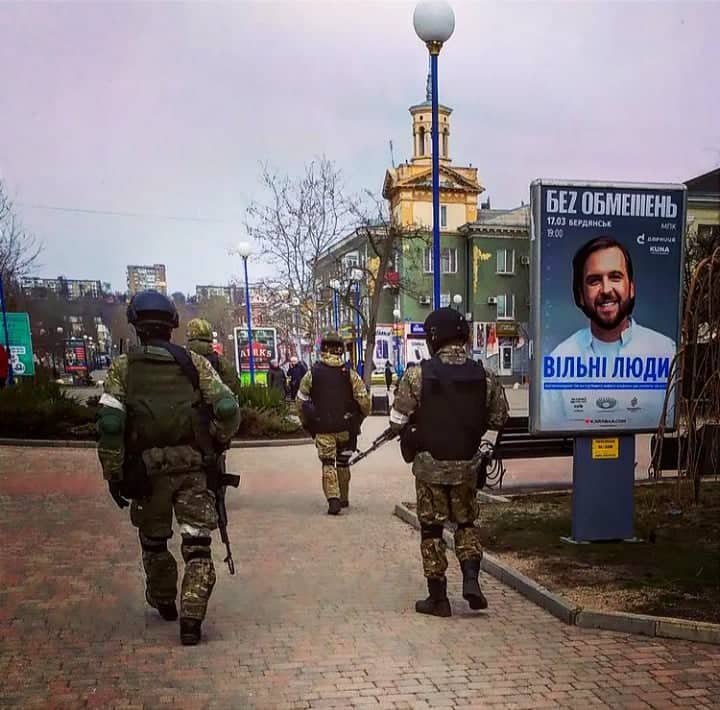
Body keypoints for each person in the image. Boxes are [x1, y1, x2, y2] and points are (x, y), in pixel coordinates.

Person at [96, 290, 241, 645]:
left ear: (135, 326)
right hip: (193, 469)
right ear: (172, 325)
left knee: (154, 541)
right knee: (198, 545)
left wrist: (113, 472)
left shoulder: (123, 368)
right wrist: (218, 441)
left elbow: (111, 425)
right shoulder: (194, 364)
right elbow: (227, 407)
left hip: (147, 474)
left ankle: (163, 600)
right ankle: (192, 617)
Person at [389, 307, 509, 617]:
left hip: (430, 467)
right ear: (464, 337)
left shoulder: (417, 374)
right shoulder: (486, 375)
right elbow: (499, 418)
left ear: (433, 339)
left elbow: (398, 418)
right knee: (465, 524)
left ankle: (438, 598)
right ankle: (471, 579)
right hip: (467, 467)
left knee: (431, 530)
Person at [543, 236, 676, 429]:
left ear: (631, 288)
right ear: (580, 295)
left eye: (615, 277)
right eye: (594, 280)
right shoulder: (559, 361)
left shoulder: (666, 352)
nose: (606, 289)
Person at [297, 332, 371, 515]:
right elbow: (364, 401)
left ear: (323, 350)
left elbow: (300, 401)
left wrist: (306, 423)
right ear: (341, 351)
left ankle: (333, 499)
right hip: (346, 428)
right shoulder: (350, 374)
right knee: (343, 462)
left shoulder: (311, 374)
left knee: (328, 462)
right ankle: (344, 497)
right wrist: (359, 418)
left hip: (322, 428)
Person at [185, 318, 241, 397]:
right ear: (209, 334)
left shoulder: (178, 358)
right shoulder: (222, 362)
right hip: (215, 406)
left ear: (189, 334)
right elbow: (234, 387)